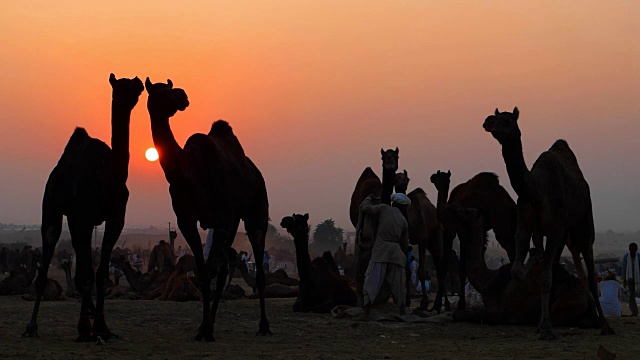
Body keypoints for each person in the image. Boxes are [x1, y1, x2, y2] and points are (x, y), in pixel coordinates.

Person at [360, 193, 409, 315]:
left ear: (393, 203)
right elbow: (404, 244)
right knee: (399, 284)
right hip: (396, 254)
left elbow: (366, 209)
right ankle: (402, 310)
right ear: (404, 207)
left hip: (380, 250)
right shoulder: (403, 221)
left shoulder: (384, 208)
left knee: (372, 280)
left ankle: (366, 309)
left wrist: (368, 198)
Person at [622, 242, 639, 316]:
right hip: (630, 279)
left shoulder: (639, 256)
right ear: (629, 249)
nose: (632, 251)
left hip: (639, 279)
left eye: (634, 249)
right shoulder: (626, 257)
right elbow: (624, 268)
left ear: (636, 250)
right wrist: (624, 280)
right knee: (631, 296)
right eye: (631, 249)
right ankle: (634, 312)